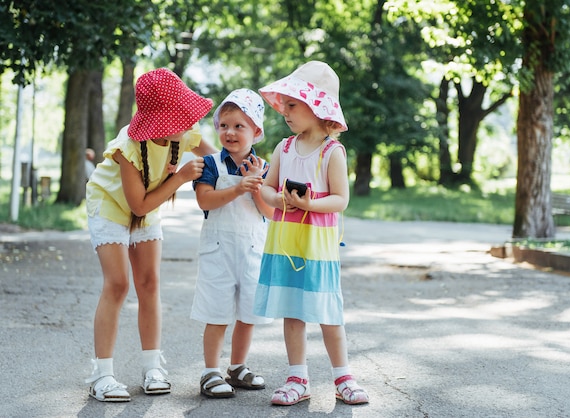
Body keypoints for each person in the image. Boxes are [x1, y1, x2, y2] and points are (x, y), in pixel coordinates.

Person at [84, 68, 217, 402]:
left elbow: (217, 159)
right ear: (159, 121)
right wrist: (181, 177)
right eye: (178, 117)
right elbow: (138, 205)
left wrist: (247, 170)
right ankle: (102, 375)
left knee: (149, 284)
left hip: (148, 203)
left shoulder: (185, 133)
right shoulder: (126, 149)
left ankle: (152, 367)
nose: (185, 122)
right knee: (118, 284)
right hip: (111, 204)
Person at [254, 61, 369, 406]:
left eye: (292, 104)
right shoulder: (283, 148)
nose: (285, 112)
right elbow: (266, 188)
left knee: (328, 312)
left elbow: (340, 199)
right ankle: (297, 377)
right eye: (284, 105)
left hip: (317, 245)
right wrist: (280, 200)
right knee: (293, 309)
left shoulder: (332, 152)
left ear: (317, 106)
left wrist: (307, 205)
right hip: (287, 242)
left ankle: (342, 376)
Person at [191, 89, 274, 398]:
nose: (230, 132)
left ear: (256, 131)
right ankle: (210, 371)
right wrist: (239, 187)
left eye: (239, 126)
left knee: (248, 313)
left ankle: (237, 367)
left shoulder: (265, 168)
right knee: (217, 311)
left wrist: (255, 189)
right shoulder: (211, 164)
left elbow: (270, 212)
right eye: (224, 125)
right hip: (218, 251)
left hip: (253, 250)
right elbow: (206, 201)